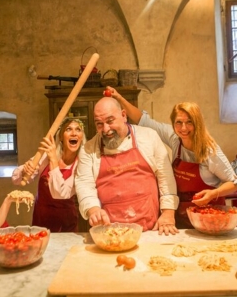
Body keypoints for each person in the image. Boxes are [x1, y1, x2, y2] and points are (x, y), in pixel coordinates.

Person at [106, 86, 237, 228]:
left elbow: (234, 183)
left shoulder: (210, 151)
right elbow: (143, 120)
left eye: (189, 122)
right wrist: (119, 97)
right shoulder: (175, 139)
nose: (183, 128)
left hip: (209, 218)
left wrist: (213, 193)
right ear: (173, 124)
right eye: (178, 123)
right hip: (182, 217)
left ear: (197, 123)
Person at [75, 97, 180, 235]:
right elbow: (84, 184)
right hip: (109, 233)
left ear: (123, 115)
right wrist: (93, 210)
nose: (106, 129)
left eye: (110, 121)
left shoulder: (149, 137)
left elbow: (165, 177)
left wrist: (168, 213)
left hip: (150, 229)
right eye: (99, 124)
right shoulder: (88, 149)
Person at [12, 117, 86, 232]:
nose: (74, 133)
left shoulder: (81, 164)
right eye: (68, 129)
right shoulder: (46, 156)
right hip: (41, 218)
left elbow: (60, 193)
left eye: (78, 130)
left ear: (81, 137)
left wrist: (54, 161)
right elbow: (18, 179)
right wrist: (25, 170)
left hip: (65, 222)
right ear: (61, 137)